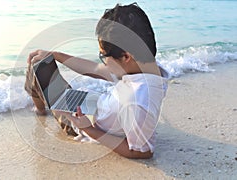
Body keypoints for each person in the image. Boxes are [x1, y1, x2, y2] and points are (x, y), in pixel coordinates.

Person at [25, 3, 169, 159]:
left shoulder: (136, 101)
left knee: (38, 66)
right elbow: (96, 69)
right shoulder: (146, 69)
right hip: (94, 104)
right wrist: (56, 55)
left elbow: (142, 151)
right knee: (45, 61)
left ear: (126, 57)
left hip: (81, 121)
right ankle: (41, 105)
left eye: (104, 56)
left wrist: (88, 129)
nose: (103, 61)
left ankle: (40, 110)